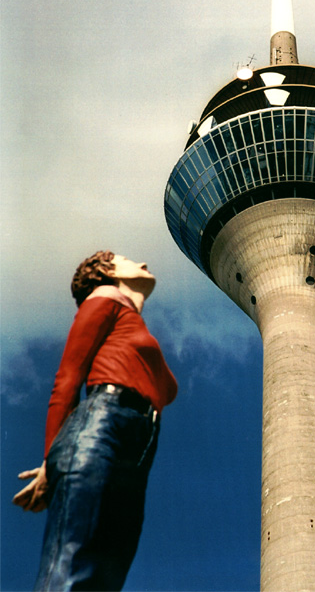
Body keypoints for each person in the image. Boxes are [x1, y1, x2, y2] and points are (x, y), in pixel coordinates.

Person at [13, 250, 177, 591]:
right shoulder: (104, 299)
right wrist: (50, 458)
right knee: (75, 559)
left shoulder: (133, 322)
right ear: (106, 271)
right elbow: (68, 378)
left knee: (108, 573)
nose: (143, 263)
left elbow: (166, 389)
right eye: (128, 259)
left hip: (139, 443)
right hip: (102, 423)